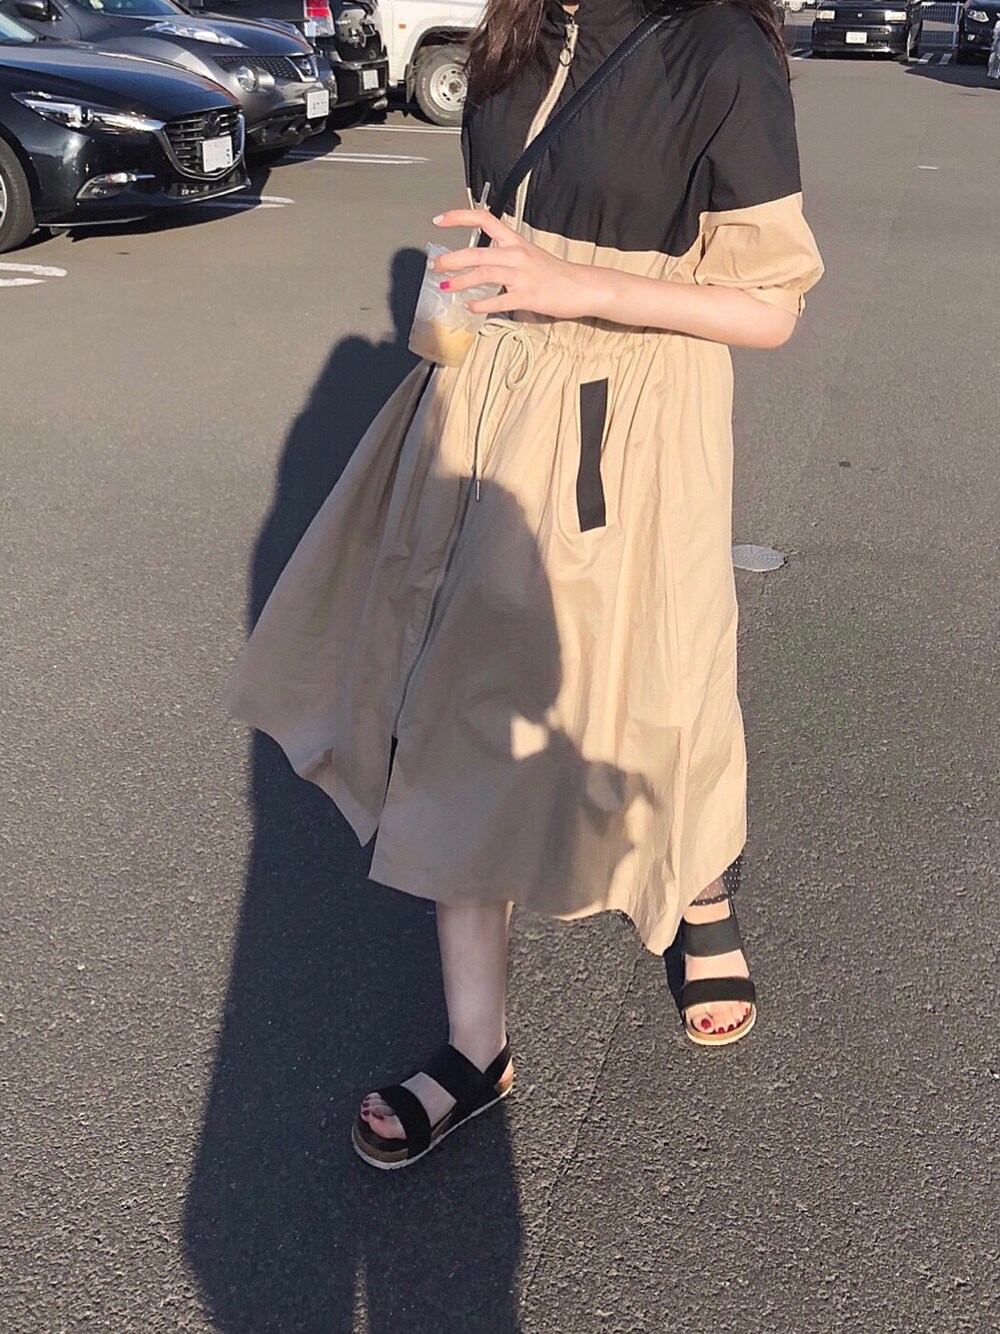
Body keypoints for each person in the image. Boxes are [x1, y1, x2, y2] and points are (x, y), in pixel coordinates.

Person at [223, 0, 823, 1170]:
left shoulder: (714, 46)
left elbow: (769, 307)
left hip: (633, 415)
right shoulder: (512, 28)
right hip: (482, 401)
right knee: (454, 706)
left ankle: (697, 885)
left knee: (661, 683)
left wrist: (570, 284)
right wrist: (468, 314)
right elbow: (499, 219)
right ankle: (475, 1043)